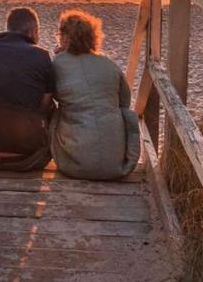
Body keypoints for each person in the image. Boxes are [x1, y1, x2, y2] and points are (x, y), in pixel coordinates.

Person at [49, 10, 140, 180]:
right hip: (117, 163)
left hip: (75, 164)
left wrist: (60, 55)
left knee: (53, 110)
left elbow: (51, 96)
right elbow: (124, 102)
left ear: (64, 37)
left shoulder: (58, 64)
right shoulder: (109, 65)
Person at [0, 6, 55, 171]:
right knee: (53, 107)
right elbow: (44, 107)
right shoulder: (41, 55)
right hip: (26, 158)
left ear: (9, 28)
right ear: (34, 31)